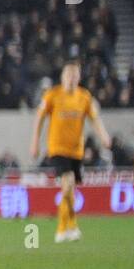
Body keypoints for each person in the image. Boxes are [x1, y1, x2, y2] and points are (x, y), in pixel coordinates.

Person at [30, 61, 111, 243]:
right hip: (57, 148)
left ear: (79, 78)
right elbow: (39, 117)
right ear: (62, 77)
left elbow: (95, 119)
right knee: (67, 184)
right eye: (68, 75)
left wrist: (104, 136)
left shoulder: (84, 97)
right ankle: (61, 229)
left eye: (75, 75)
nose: (71, 79)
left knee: (70, 189)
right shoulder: (52, 95)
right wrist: (35, 142)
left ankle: (72, 225)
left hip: (76, 150)